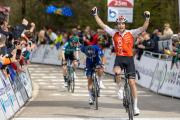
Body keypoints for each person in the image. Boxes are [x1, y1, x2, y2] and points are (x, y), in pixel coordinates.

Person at [91, 6, 150, 115]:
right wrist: (95, 15)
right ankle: (119, 89)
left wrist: (147, 18)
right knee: (117, 73)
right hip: (119, 58)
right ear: (117, 25)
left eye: (122, 24)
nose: (121, 25)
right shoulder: (114, 33)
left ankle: (136, 107)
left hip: (129, 59)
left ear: (125, 25)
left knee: (132, 83)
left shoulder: (131, 33)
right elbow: (102, 25)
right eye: (119, 24)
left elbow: (143, 28)